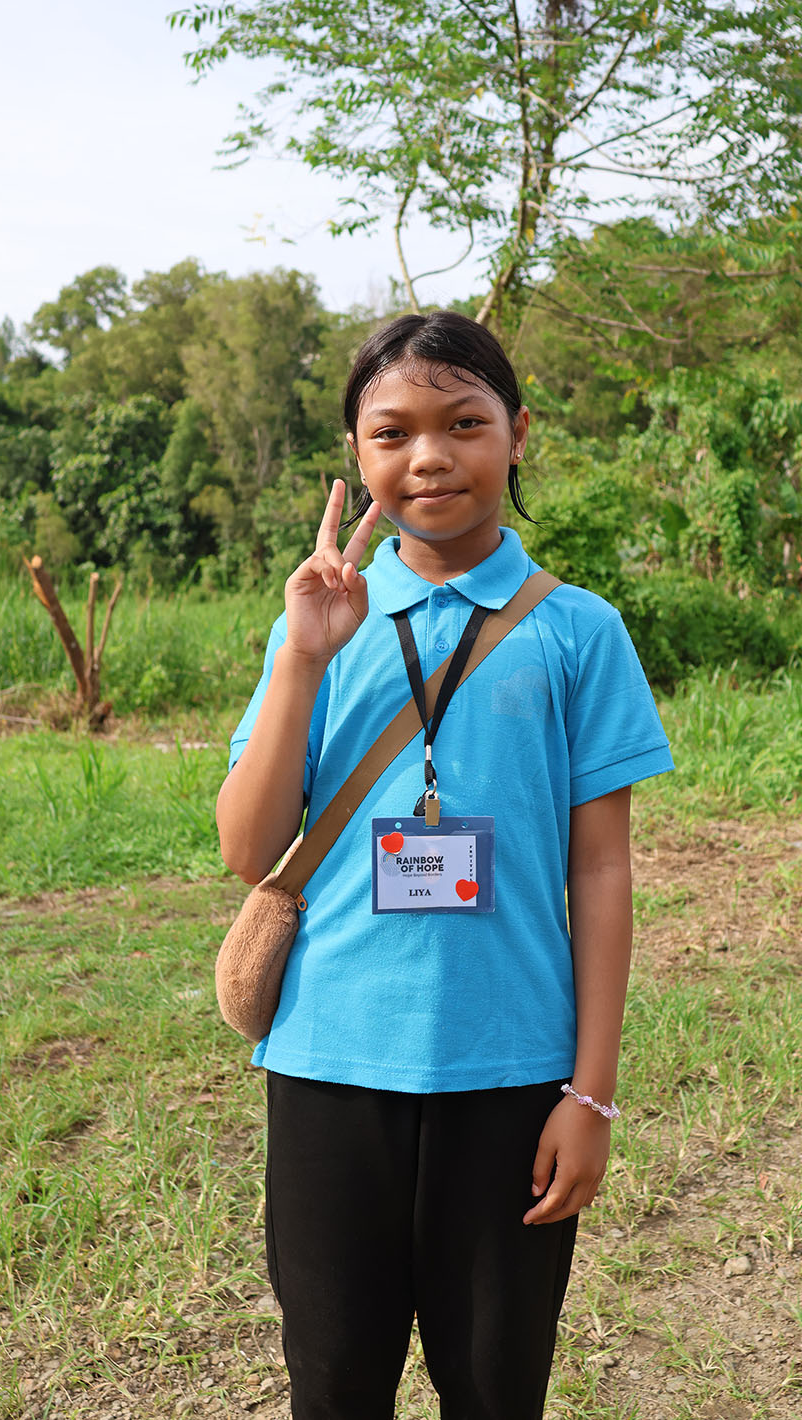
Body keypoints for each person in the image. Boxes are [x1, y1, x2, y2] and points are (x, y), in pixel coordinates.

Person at [215, 310, 673, 1419]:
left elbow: (601, 873)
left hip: (511, 1075)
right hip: (330, 1063)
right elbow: (245, 846)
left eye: (463, 423)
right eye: (393, 433)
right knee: (333, 1378)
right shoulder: (318, 625)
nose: (429, 456)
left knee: (495, 1380)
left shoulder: (580, 632)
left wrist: (591, 1095)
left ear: (518, 435)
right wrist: (303, 662)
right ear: (359, 457)